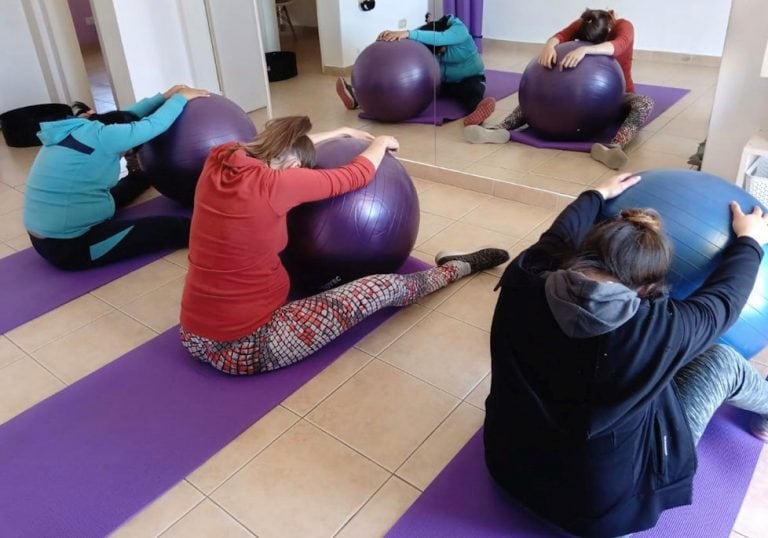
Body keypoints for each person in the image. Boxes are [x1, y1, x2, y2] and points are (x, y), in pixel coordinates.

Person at [484, 172, 768, 537]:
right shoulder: (660, 328)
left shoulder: (523, 277)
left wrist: (594, 195)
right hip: (606, 516)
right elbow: (724, 301)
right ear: (647, 288)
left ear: (581, 253)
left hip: (507, 469)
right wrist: (749, 242)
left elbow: (555, 237)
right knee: (722, 361)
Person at [179, 116, 509, 375]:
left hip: (192, 333)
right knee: (382, 288)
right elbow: (355, 175)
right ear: (295, 166)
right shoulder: (277, 184)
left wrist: (339, 132)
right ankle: (458, 267)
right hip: (246, 345)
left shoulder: (220, 157)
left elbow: (273, 146)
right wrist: (379, 142)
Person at [23, 84, 209, 270]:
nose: (123, 155)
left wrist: (164, 97)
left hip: (45, 236)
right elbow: (153, 125)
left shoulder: (83, 127)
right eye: (126, 151)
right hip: (70, 248)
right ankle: (219, 232)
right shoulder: (107, 137)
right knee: (172, 228)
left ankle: (142, 178)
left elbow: (122, 117)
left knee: (128, 186)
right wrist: (181, 99)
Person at [464, 9, 654, 170]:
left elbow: (618, 45)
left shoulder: (623, 26)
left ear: (609, 30)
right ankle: (498, 130)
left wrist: (585, 50)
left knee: (645, 103)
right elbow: (560, 36)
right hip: (574, 97)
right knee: (540, 97)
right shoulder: (585, 22)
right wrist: (549, 45)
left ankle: (613, 148)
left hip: (616, 96)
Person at [336, 14, 496, 127]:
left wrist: (405, 33)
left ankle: (477, 113)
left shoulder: (458, 30)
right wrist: (393, 37)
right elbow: (415, 44)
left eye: (440, 51)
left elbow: (439, 38)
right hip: (442, 83)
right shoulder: (427, 35)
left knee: (472, 92)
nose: (439, 54)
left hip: (470, 78)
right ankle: (357, 97)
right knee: (405, 91)